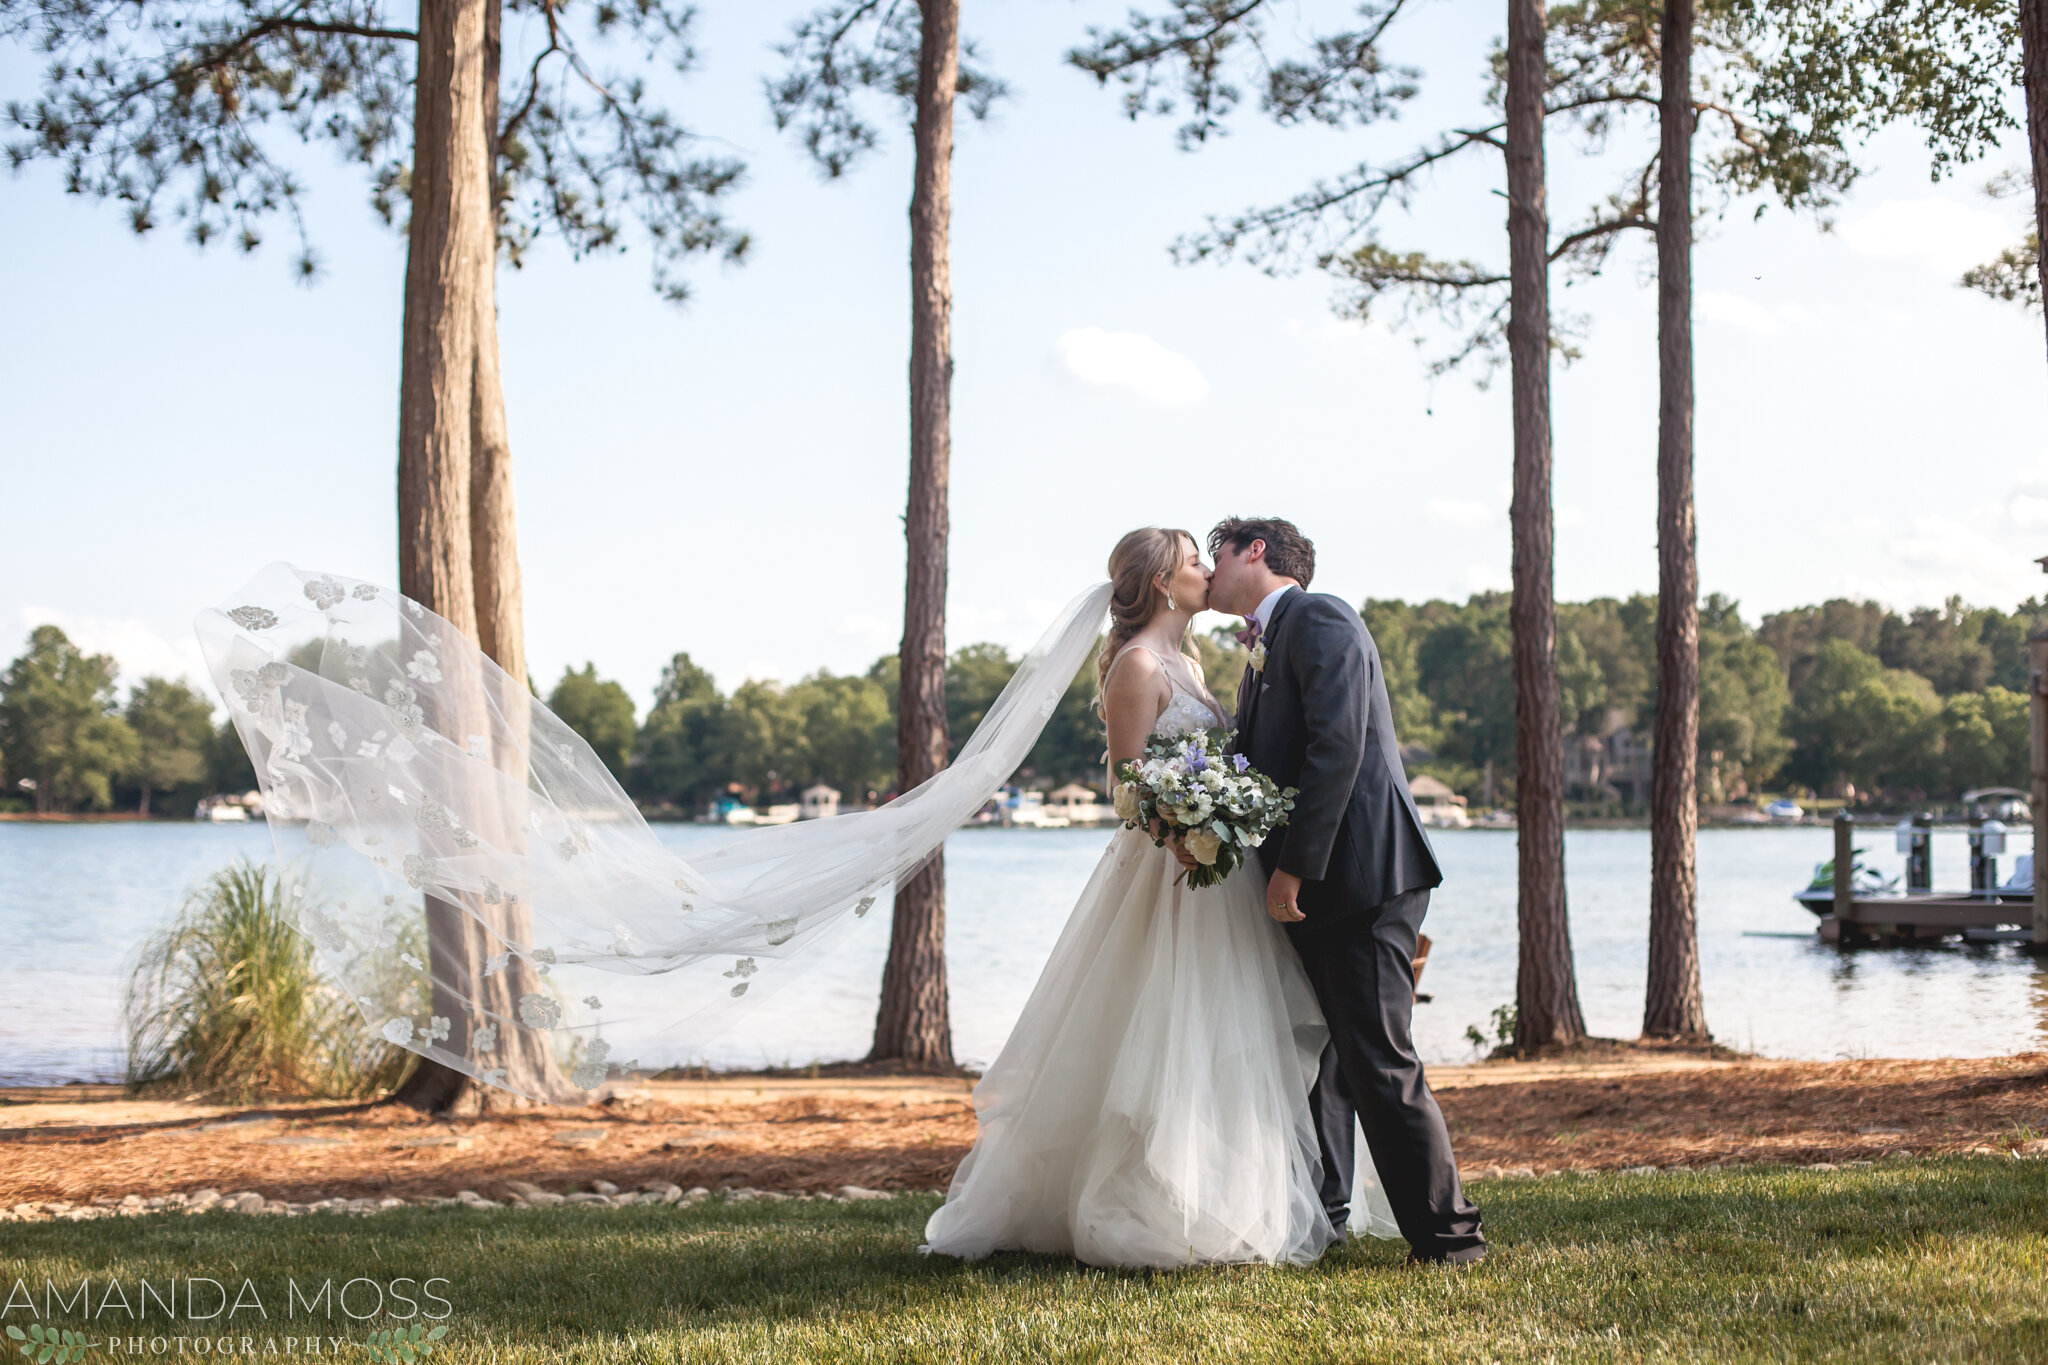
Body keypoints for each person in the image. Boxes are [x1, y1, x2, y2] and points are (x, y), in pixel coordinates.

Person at [922, 527, 1396, 1269]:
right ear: (1163, 582)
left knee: (1228, 1039)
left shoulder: (1194, 662)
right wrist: (1183, 826)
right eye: (1194, 561)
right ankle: (1149, 1203)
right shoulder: (1137, 666)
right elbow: (1127, 782)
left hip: (1221, 872)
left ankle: (1234, 1197)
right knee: (1165, 1037)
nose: (1209, 570)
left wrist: (1226, 818)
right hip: (1172, 876)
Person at [1205, 516, 1484, 1266]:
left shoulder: (1320, 616)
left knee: (1377, 1060)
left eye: (1216, 554)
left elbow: (1340, 744)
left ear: (1254, 551)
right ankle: (1325, 1216)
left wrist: (1296, 866)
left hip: (1359, 876)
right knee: (1328, 1060)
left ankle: (1451, 1240)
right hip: (1329, 884)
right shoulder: (1264, 646)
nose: (1208, 570)